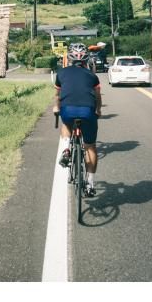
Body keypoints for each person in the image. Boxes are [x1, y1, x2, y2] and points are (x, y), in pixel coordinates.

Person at [53, 42, 102, 197]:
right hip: (88, 111)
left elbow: (58, 95)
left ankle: (66, 150)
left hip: (68, 110)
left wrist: (56, 108)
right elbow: (97, 96)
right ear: (86, 59)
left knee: (66, 124)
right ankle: (90, 184)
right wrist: (98, 110)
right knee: (90, 147)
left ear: (69, 58)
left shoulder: (61, 73)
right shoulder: (92, 76)